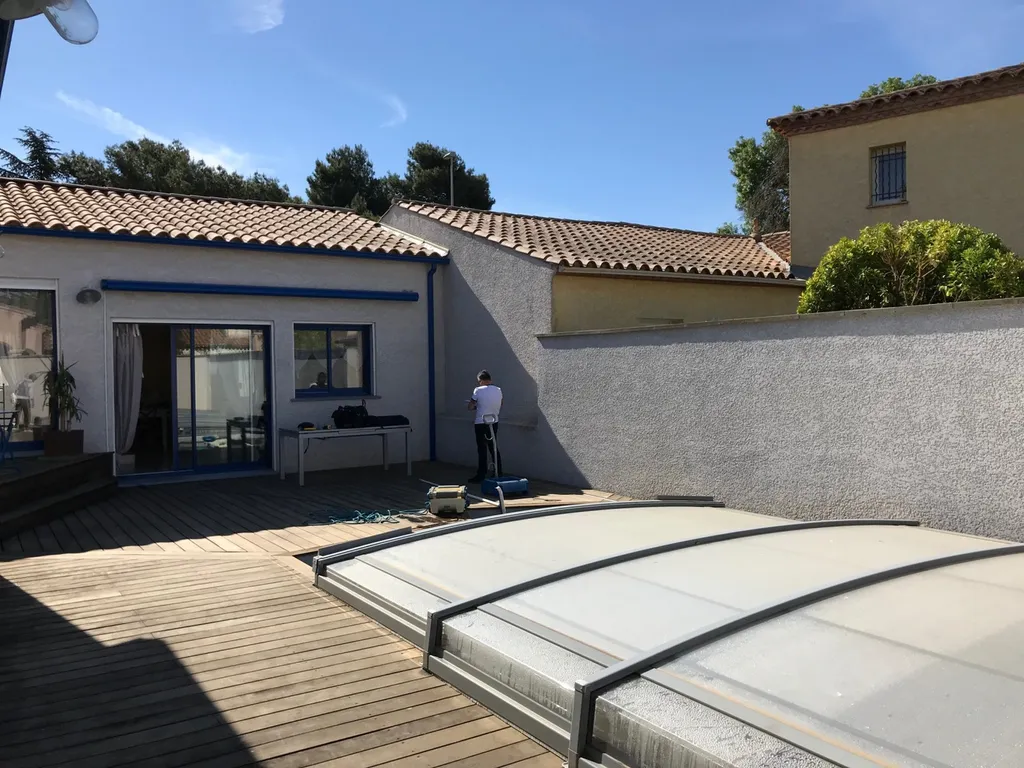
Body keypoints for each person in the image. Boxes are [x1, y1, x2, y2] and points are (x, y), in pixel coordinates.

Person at [467, 370, 502, 483]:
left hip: (481, 422)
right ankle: (498, 472)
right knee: (493, 447)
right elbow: (501, 403)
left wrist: (476, 406)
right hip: (494, 421)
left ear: (480, 381)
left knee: (482, 449)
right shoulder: (498, 390)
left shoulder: (478, 390)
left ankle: (481, 474)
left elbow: (471, 406)